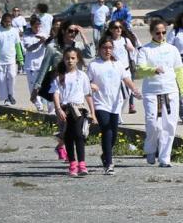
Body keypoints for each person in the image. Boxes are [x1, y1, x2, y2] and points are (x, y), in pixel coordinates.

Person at [135, 18, 183, 167]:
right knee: (153, 124)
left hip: (170, 91)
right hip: (151, 92)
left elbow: (179, 72)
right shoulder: (145, 50)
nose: (161, 35)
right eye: (157, 32)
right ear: (152, 32)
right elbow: (139, 70)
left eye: (163, 32)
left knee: (169, 125)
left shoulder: (173, 50)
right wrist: (153, 70)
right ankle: (151, 148)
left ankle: (165, 157)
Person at [88, 37, 139, 175]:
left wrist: (135, 90)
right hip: (100, 103)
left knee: (114, 133)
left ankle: (105, 154)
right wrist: (91, 85)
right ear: (99, 49)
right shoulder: (94, 65)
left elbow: (126, 79)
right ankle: (109, 163)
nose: (107, 50)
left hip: (116, 104)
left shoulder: (118, 64)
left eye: (110, 48)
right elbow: (86, 82)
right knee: (107, 130)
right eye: (104, 47)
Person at [51, 48, 95, 177]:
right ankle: (72, 164)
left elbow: (88, 94)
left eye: (73, 58)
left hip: (78, 109)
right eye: (67, 58)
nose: (70, 61)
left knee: (79, 135)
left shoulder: (82, 75)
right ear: (63, 59)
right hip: (65, 110)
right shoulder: (59, 76)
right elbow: (56, 93)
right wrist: (58, 108)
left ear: (77, 59)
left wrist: (93, 112)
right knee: (68, 136)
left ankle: (82, 163)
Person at [0, 13, 25, 106]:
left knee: (12, 77)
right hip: (0, 60)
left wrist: (20, 59)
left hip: (11, 60)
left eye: (10, 22)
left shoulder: (14, 31)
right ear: (3, 22)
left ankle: (11, 95)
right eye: (6, 22)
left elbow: (18, 46)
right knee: (1, 80)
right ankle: (6, 98)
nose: (8, 23)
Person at [104, 20, 138, 114]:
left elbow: (135, 52)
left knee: (127, 94)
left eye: (120, 27)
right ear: (111, 30)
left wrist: (131, 49)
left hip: (126, 71)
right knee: (116, 94)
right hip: (114, 71)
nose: (119, 29)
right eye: (116, 27)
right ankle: (116, 115)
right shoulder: (108, 41)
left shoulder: (125, 40)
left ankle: (118, 113)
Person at [22, 16, 50, 112]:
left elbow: (49, 45)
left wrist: (45, 41)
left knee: (46, 86)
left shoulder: (44, 34)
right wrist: (39, 42)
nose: (37, 29)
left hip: (42, 65)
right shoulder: (27, 35)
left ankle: (51, 108)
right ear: (32, 26)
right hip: (31, 66)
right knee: (33, 88)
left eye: (39, 26)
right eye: (35, 27)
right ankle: (39, 106)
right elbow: (29, 48)